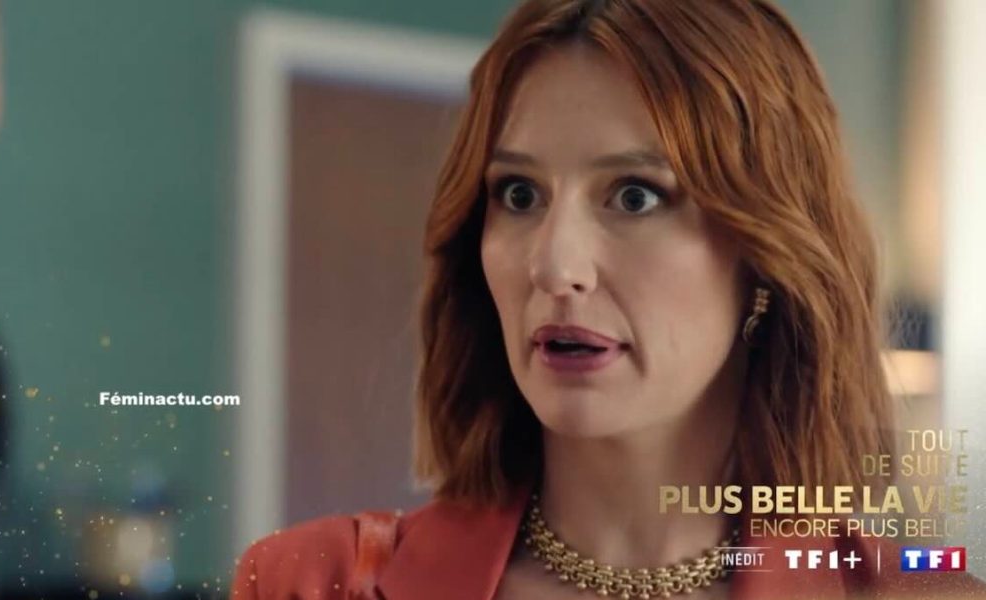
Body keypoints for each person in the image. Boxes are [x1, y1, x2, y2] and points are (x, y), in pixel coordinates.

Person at [231, 1, 986, 598]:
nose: (555, 265)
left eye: (634, 195)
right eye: (519, 194)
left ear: (765, 258)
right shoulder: (310, 582)